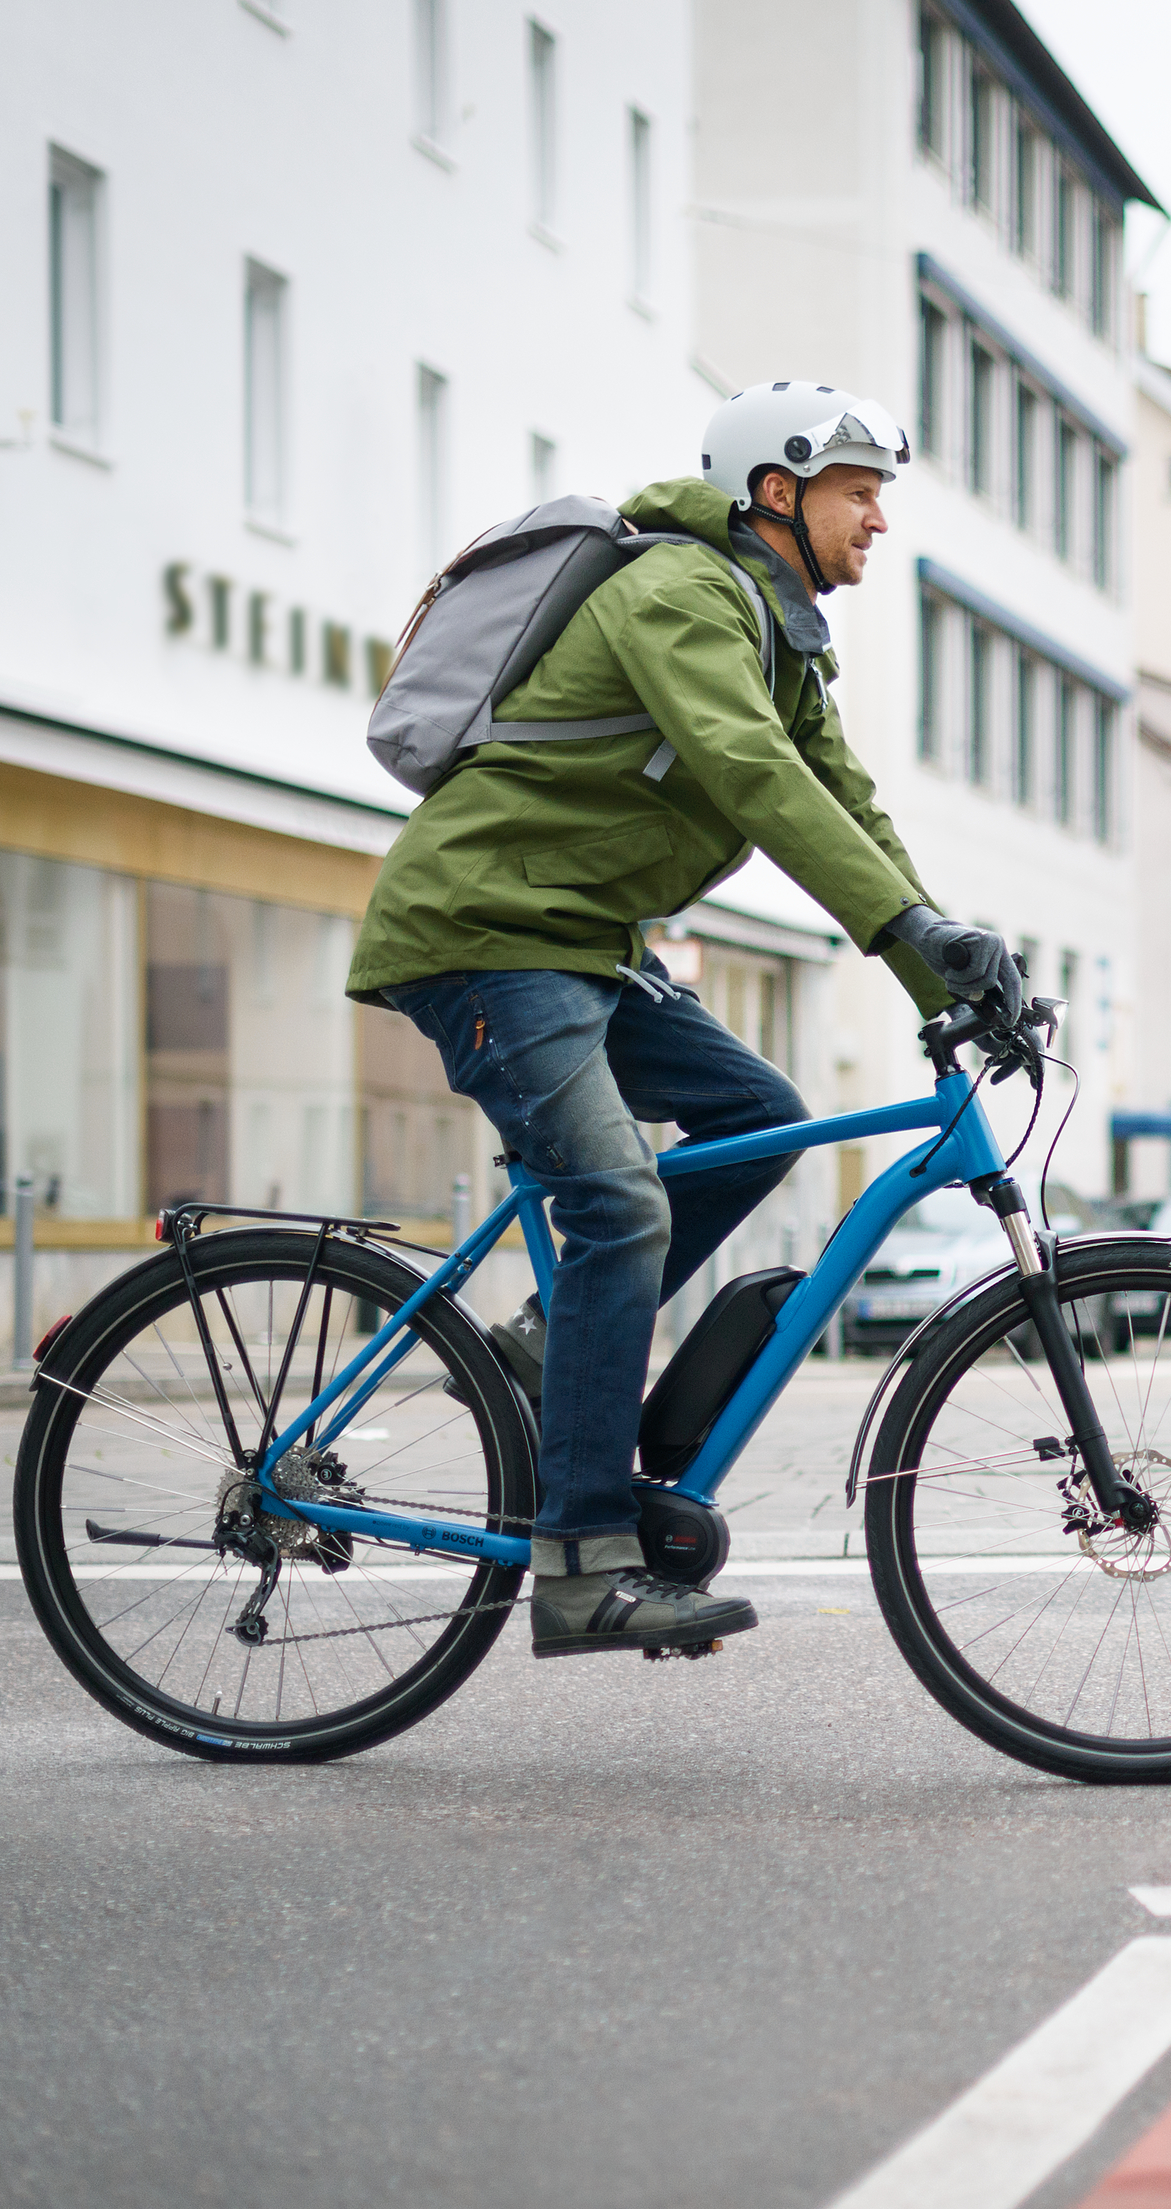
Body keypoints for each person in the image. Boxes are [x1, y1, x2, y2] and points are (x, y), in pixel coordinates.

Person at [347, 383, 1020, 1660]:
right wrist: (901, 933)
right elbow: (753, 776)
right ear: (778, 490)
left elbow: (845, 800)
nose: (879, 519)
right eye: (858, 491)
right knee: (620, 1206)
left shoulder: (781, 633)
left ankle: (550, 1344)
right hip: (488, 931)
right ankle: (585, 1562)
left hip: (581, 942)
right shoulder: (681, 595)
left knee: (761, 1119)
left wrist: (948, 961)